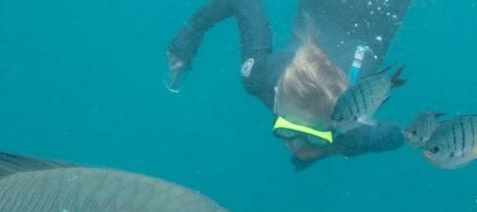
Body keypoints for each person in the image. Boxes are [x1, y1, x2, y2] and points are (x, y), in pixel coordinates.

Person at [165, 0, 408, 169]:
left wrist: (339, 146)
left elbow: (401, 135)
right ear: (276, 94)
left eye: (316, 136)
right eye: (287, 129)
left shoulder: (352, 132)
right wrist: (185, 41)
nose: (297, 147)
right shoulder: (260, 77)